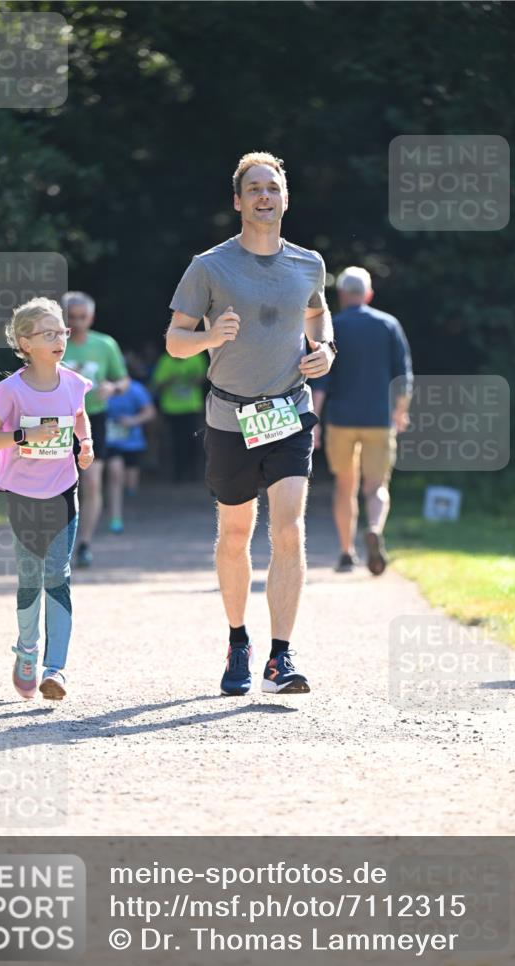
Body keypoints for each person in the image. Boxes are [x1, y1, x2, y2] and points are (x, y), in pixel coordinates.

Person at [166, 151, 336, 696]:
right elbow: (175, 342)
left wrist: (325, 348)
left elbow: (316, 312)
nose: (265, 196)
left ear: (286, 198)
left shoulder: (309, 263)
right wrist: (211, 338)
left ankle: (280, 658)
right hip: (230, 417)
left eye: (274, 188)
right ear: (238, 202)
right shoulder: (209, 265)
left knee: (288, 527)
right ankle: (238, 640)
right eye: (255, 189)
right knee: (236, 532)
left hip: (288, 409)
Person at [0, 297, 94, 701]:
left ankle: (55, 670)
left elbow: (79, 413)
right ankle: (27, 650)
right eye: (48, 334)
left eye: (60, 331)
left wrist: (86, 442)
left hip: (63, 489)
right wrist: (25, 437)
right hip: (23, 496)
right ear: (25, 343)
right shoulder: (10, 391)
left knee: (58, 574)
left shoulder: (75, 382)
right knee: (31, 577)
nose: (59, 338)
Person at [311, 267, 413, 575]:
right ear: (368, 294)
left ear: (341, 295)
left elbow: (320, 382)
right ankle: (374, 528)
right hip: (379, 420)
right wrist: (400, 411)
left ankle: (346, 553)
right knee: (377, 485)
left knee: (345, 485)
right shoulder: (388, 325)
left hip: (341, 420)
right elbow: (404, 377)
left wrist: (313, 422)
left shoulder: (332, 328)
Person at [60, 291, 129, 567]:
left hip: (93, 419)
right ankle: (57, 543)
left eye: (83, 317)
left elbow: (124, 380)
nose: (77, 323)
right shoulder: (54, 342)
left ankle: (85, 544)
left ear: (92, 317)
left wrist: (112, 388)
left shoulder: (105, 344)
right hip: (57, 422)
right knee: (59, 486)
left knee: (91, 482)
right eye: (72, 317)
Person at [105, 372, 156, 532]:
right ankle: (115, 517)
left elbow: (150, 412)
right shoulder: (96, 388)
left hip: (132, 442)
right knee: (115, 474)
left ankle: (128, 501)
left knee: (130, 483)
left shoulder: (135, 389)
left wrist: (133, 421)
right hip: (109, 441)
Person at [151, 350, 208, 482]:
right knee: (176, 442)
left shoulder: (197, 357)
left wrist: (192, 380)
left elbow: (204, 377)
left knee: (194, 441)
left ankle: (194, 473)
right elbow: (157, 383)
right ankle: (178, 474)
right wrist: (170, 381)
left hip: (192, 407)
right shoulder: (165, 360)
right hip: (171, 409)